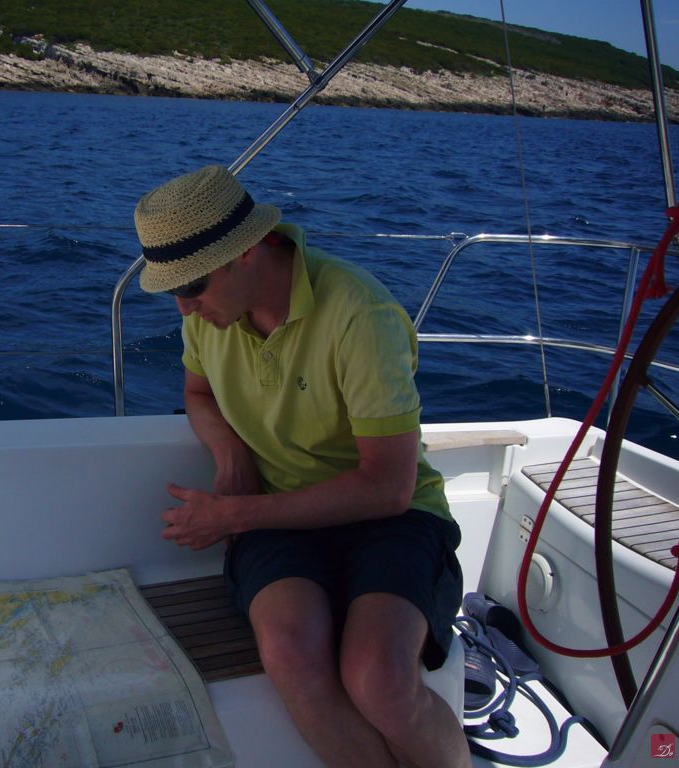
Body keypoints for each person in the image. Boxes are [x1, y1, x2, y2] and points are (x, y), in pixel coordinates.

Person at [133, 165, 470, 768]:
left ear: (245, 251)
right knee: (290, 655)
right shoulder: (209, 320)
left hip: (392, 520)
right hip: (280, 518)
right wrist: (231, 455)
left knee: (378, 678)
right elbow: (198, 394)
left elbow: (389, 487)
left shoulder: (360, 314)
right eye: (172, 292)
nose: (184, 307)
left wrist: (234, 514)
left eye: (194, 285)